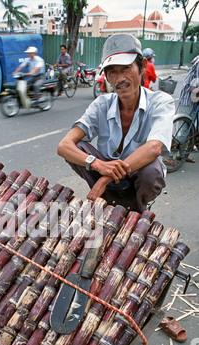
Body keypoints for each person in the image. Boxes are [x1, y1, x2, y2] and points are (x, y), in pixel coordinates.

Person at [57, 34, 175, 213]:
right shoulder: (101, 104)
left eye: (126, 68)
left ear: (142, 66)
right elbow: (64, 146)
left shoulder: (161, 102)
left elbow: (154, 148)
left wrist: (105, 178)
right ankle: (107, 196)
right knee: (77, 147)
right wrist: (98, 164)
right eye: (112, 71)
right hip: (103, 168)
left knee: (151, 170)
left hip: (137, 174)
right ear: (106, 75)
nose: (119, 79)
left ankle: (137, 208)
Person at [177, 56, 199, 160]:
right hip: (189, 98)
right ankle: (172, 155)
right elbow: (197, 81)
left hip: (195, 99)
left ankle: (183, 154)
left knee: (190, 127)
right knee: (184, 128)